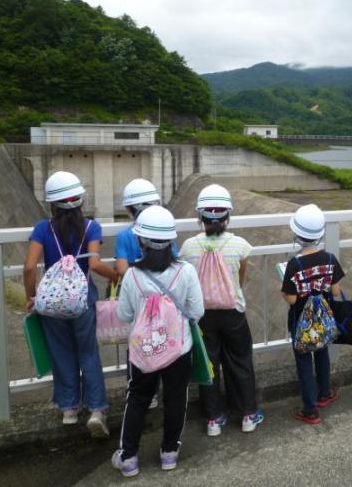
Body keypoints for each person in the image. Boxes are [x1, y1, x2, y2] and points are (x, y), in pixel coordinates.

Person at [23, 171, 119, 436]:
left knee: (61, 352)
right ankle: (97, 409)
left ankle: (69, 408)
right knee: (88, 352)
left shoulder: (43, 228)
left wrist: (31, 297)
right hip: (82, 300)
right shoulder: (91, 227)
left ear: (52, 203)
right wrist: (116, 277)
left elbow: (30, 267)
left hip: (51, 302)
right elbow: (96, 264)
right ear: (80, 200)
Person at [112, 206, 204, 476]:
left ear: (141, 241)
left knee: (138, 397)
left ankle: (128, 457)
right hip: (178, 349)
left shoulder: (131, 275)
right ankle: (169, 454)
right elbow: (197, 312)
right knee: (175, 398)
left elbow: (124, 314)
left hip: (143, 351)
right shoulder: (185, 271)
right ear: (171, 240)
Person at [179, 184, 263, 436]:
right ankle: (248, 414)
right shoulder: (240, 245)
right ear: (227, 216)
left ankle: (213, 419)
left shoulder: (188, 247)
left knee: (209, 364)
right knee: (240, 361)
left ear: (200, 217)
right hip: (232, 311)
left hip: (203, 315)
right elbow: (241, 276)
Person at [280, 204, 343, 425]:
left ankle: (310, 409)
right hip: (323, 318)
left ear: (297, 234)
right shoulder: (330, 258)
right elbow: (335, 291)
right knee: (322, 352)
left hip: (301, 320)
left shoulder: (294, 264)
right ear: (320, 234)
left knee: (304, 360)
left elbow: (291, 299)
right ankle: (324, 393)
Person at [114, 178, 168, 410]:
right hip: (164, 302)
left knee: (138, 345)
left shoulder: (125, 236)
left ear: (129, 209)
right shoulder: (165, 231)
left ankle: (142, 392)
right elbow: (172, 262)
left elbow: (122, 271)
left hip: (138, 303)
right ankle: (161, 389)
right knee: (164, 342)